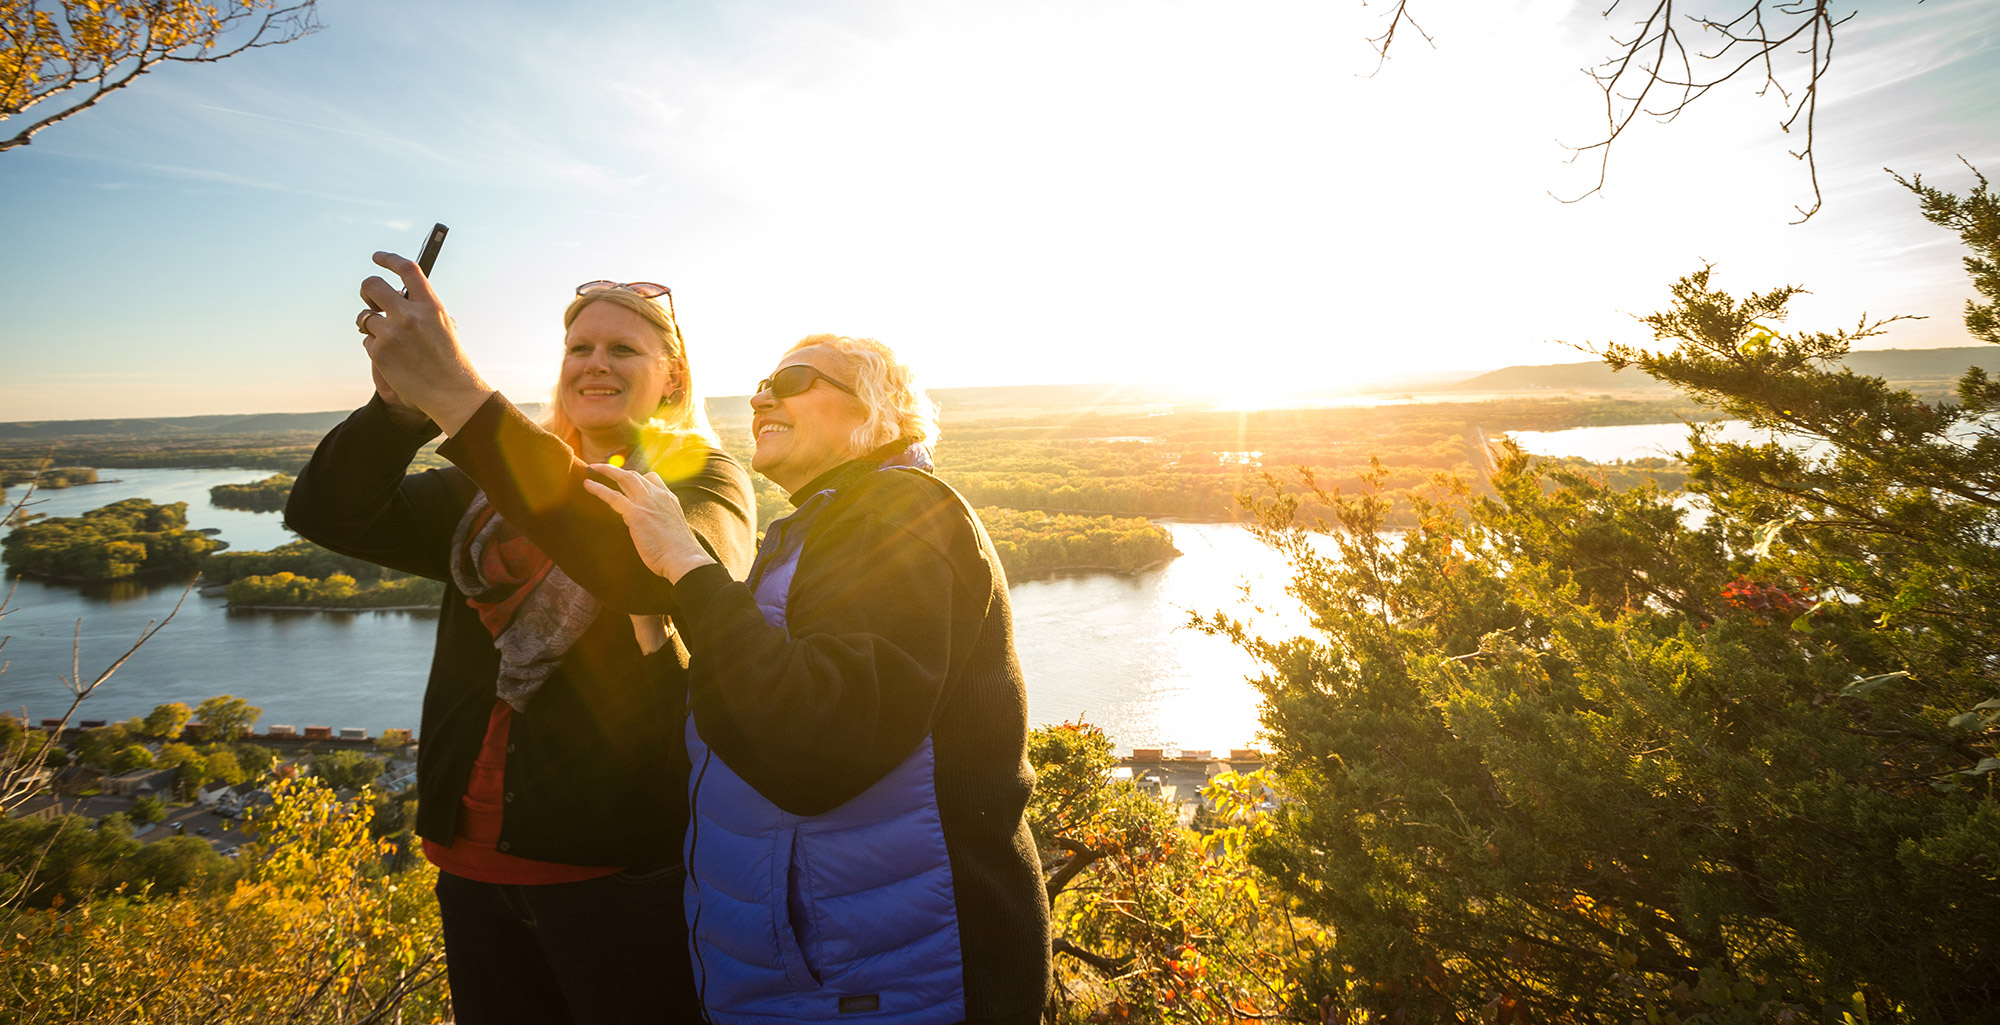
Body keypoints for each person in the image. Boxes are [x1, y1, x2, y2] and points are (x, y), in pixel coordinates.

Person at [287, 266, 755, 1024]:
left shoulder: (703, 480)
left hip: (619, 868)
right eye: (579, 346)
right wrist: (400, 408)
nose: (594, 362)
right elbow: (328, 513)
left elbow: (648, 574)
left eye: (622, 350)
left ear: (673, 377)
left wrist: (462, 397)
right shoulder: (486, 494)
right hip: (470, 863)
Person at [586, 334, 1052, 1025]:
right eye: (762, 381)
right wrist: (662, 642)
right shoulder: (820, 529)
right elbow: (749, 720)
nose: (760, 395)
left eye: (795, 378)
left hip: (900, 984)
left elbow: (817, 742)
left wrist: (689, 566)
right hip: (820, 982)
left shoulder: (902, 515)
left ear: (875, 409)